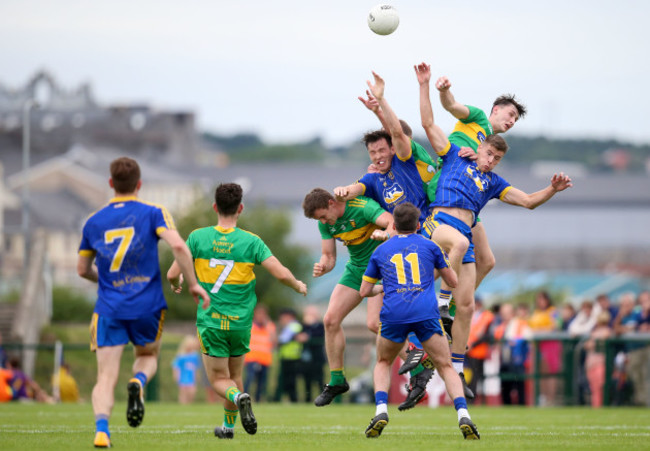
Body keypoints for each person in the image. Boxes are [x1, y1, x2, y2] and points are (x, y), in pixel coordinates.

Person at [416, 62, 572, 402]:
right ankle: (440, 304)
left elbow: (529, 201)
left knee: (469, 305)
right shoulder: (460, 150)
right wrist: (428, 85)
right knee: (457, 246)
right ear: (482, 144)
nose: (491, 160)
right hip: (439, 223)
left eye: (497, 158)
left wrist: (552, 190)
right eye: (489, 153)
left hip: (466, 231)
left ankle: (455, 368)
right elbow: (431, 121)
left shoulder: (492, 180)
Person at [77, 156, 209, 448]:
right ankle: (138, 381)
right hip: (147, 306)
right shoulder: (154, 212)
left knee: (105, 376)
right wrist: (194, 284)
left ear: (111, 184)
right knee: (147, 357)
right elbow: (177, 245)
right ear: (139, 184)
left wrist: (108, 282)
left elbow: (82, 270)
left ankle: (101, 431)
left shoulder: (93, 222)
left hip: (109, 307)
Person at [167, 182, 307, 439]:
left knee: (220, 380)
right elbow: (278, 272)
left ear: (214, 207)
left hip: (211, 321)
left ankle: (238, 397)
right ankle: (228, 428)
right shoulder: (251, 241)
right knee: (235, 375)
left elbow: (172, 273)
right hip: (241, 323)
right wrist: (297, 284)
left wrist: (176, 283)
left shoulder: (198, 237)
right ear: (240, 208)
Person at [360, 202, 479, 440]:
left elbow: (364, 290)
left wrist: (387, 287)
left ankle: (381, 411)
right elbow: (453, 281)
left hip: (394, 313)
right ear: (418, 225)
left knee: (383, 361)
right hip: (425, 313)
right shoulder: (430, 246)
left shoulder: (381, 250)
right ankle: (464, 416)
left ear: (393, 224)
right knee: (445, 366)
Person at [433, 71, 527, 328]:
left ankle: (450, 306)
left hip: (470, 201)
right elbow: (452, 106)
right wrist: (443, 90)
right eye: (510, 115)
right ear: (495, 109)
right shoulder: (476, 118)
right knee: (439, 256)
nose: (511, 121)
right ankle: (431, 307)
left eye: (515, 120)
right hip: (447, 193)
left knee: (487, 261)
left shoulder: (489, 147)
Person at [302, 188, 393, 406]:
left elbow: (392, 222)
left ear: (331, 203)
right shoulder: (324, 223)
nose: (323, 221)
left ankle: (415, 364)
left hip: (381, 267)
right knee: (330, 320)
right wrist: (324, 265)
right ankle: (337, 380)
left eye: (323, 215)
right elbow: (330, 256)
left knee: (374, 324)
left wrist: (385, 233)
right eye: (319, 219)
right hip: (356, 270)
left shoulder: (362, 207)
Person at [493, 303, 532, 405]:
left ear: (512, 313)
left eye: (506, 313)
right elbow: (496, 342)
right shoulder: (500, 327)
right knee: (505, 387)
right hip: (505, 361)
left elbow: (528, 336)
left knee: (520, 387)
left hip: (518, 361)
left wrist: (515, 341)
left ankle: (521, 406)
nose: (504, 315)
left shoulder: (520, 324)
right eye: (503, 313)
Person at [528, 291, 561, 405]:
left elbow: (557, 325)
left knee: (550, 372)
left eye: (542, 299)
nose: (540, 302)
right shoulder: (536, 312)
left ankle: (551, 398)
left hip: (550, 344)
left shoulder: (552, 311)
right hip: (538, 345)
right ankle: (543, 397)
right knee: (540, 371)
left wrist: (541, 330)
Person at [464, 297, 495, 403]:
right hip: (467, 350)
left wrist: (473, 345)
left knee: (476, 377)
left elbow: (487, 335)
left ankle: (473, 400)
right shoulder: (470, 316)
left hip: (478, 351)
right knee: (468, 376)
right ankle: (470, 398)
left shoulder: (487, 316)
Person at [244, 304, 276, 402]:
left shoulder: (270, 326)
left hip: (265, 359)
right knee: (249, 380)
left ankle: (258, 400)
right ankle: (244, 398)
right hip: (251, 358)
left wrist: (267, 325)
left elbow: (274, 341)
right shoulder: (250, 325)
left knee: (261, 383)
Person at [584, 311, 613, 407]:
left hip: (601, 362)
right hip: (591, 362)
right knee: (594, 387)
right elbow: (587, 345)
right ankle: (596, 407)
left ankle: (601, 406)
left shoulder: (607, 331)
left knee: (601, 386)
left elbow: (594, 343)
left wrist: (592, 343)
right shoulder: (594, 332)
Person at [275, 308, 304, 403]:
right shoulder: (289, 326)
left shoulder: (293, 326)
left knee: (290, 381)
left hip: (292, 358)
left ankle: (292, 399)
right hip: (287, 357)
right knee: (286, 380)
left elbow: (283, 339)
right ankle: (285, 399)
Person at [300, 305, 326, 402]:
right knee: (307, 380)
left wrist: (308, 336)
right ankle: (308, 399)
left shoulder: (320, 326)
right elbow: (299, 335)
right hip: (306, 359)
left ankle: (323, 398)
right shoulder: (303, 326)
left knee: (319, 379)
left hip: (317, 359)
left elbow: (318, 334)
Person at [172, 335, 201, 404]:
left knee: (192, 392)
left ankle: (189, 404)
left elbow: (196, 367)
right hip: (182, 378)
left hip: (191, 379)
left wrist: (197, 376)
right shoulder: (181, 356)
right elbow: (176, 367)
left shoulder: (195, 356)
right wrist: (176, 376)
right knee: (183, 393)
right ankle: (183, 405)